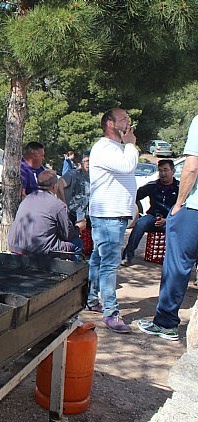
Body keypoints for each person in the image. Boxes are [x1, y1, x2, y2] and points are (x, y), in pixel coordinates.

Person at [138, 116, 198, 341]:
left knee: (177, 267)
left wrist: (179, 204)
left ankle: (165, 324)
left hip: (194, 210)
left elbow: (191, 167)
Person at [85, 108, 138, 334]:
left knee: (99, 259)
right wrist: (131, 144)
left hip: (112, 214)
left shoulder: (116, 148)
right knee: (109, 265)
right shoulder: (105, 147)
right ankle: (111, 313)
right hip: (108, 215)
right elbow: (127, 166)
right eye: (123, 119)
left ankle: (91, 299)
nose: (128, 122)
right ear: (109, 123)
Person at [9, 169, 84, 258]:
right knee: (77, 242)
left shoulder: (27, 198)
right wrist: (79, 227)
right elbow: (67, 235)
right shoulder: (58, 205)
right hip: (40, 250)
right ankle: (72, 271)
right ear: (55, 186)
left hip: (15, 246)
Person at [121, 159, 179, 266]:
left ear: (173, 171)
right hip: (153, 217)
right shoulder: (153, 185)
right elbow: (134, 196)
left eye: (166, 170)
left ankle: (174, 262)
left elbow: (184, 209)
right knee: (140, 223)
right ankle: (127, 256)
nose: (163, 173)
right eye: (160, 170)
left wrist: (167, 220)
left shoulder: (179, 188)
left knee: (178, 229)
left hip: (171, 219)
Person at [58, 153, 90, 225]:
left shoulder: (93, 175)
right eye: (86, 161)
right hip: (74, 213)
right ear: (81, 163)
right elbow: (60, 183)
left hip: (88, 214)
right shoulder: (73, 174)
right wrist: (63, 203)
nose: (88, 163)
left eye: (90, 161)